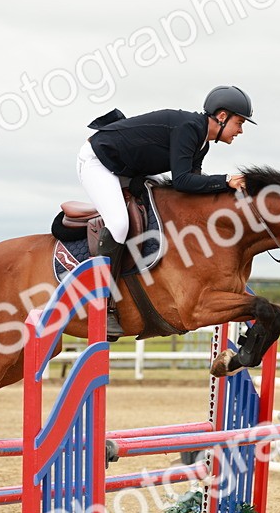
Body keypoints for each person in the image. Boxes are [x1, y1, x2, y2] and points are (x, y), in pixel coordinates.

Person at [76, 85, 255, 338]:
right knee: (118, 224)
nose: (240, 130)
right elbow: (182, 181)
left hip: (127, 167)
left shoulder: (201, 142)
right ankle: (104, 305)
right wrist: (226, 180)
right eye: (239, 122)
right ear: (222, 116)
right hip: (98, 161)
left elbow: (190, 186)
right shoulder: (189, 129)